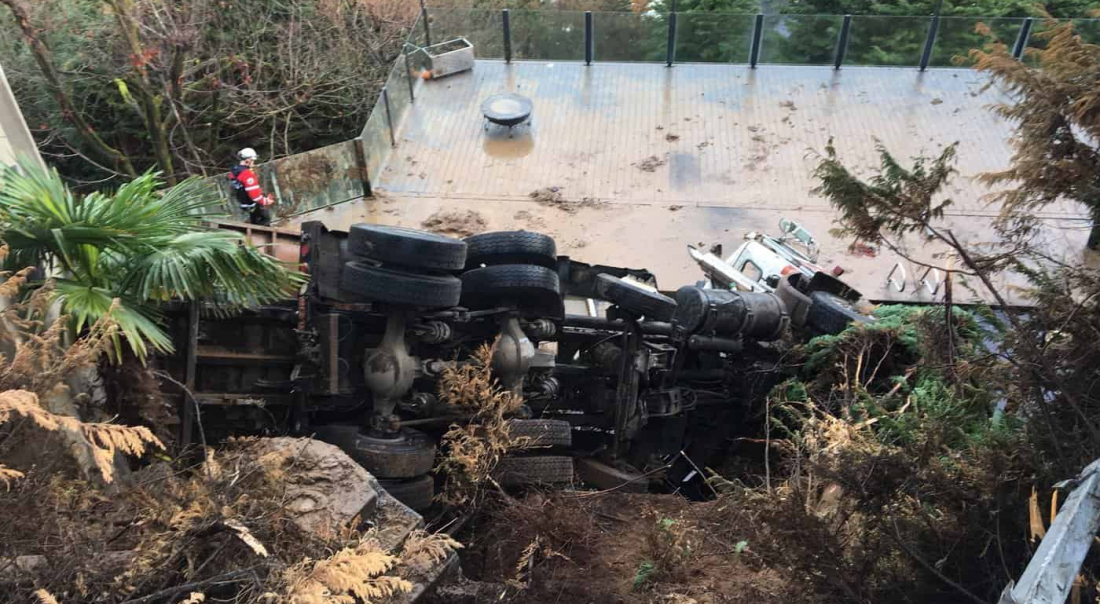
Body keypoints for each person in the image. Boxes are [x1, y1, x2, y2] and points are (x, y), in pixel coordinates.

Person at [227, 147, 274, 226]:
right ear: (248, 160)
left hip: (244, 202)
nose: (254, 163)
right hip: (252, 203)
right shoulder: (247, 174)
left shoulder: (234, 171)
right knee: (265, 219)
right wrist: (265, 201)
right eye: (253, 161)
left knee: (254, 221)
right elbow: (254, 196)